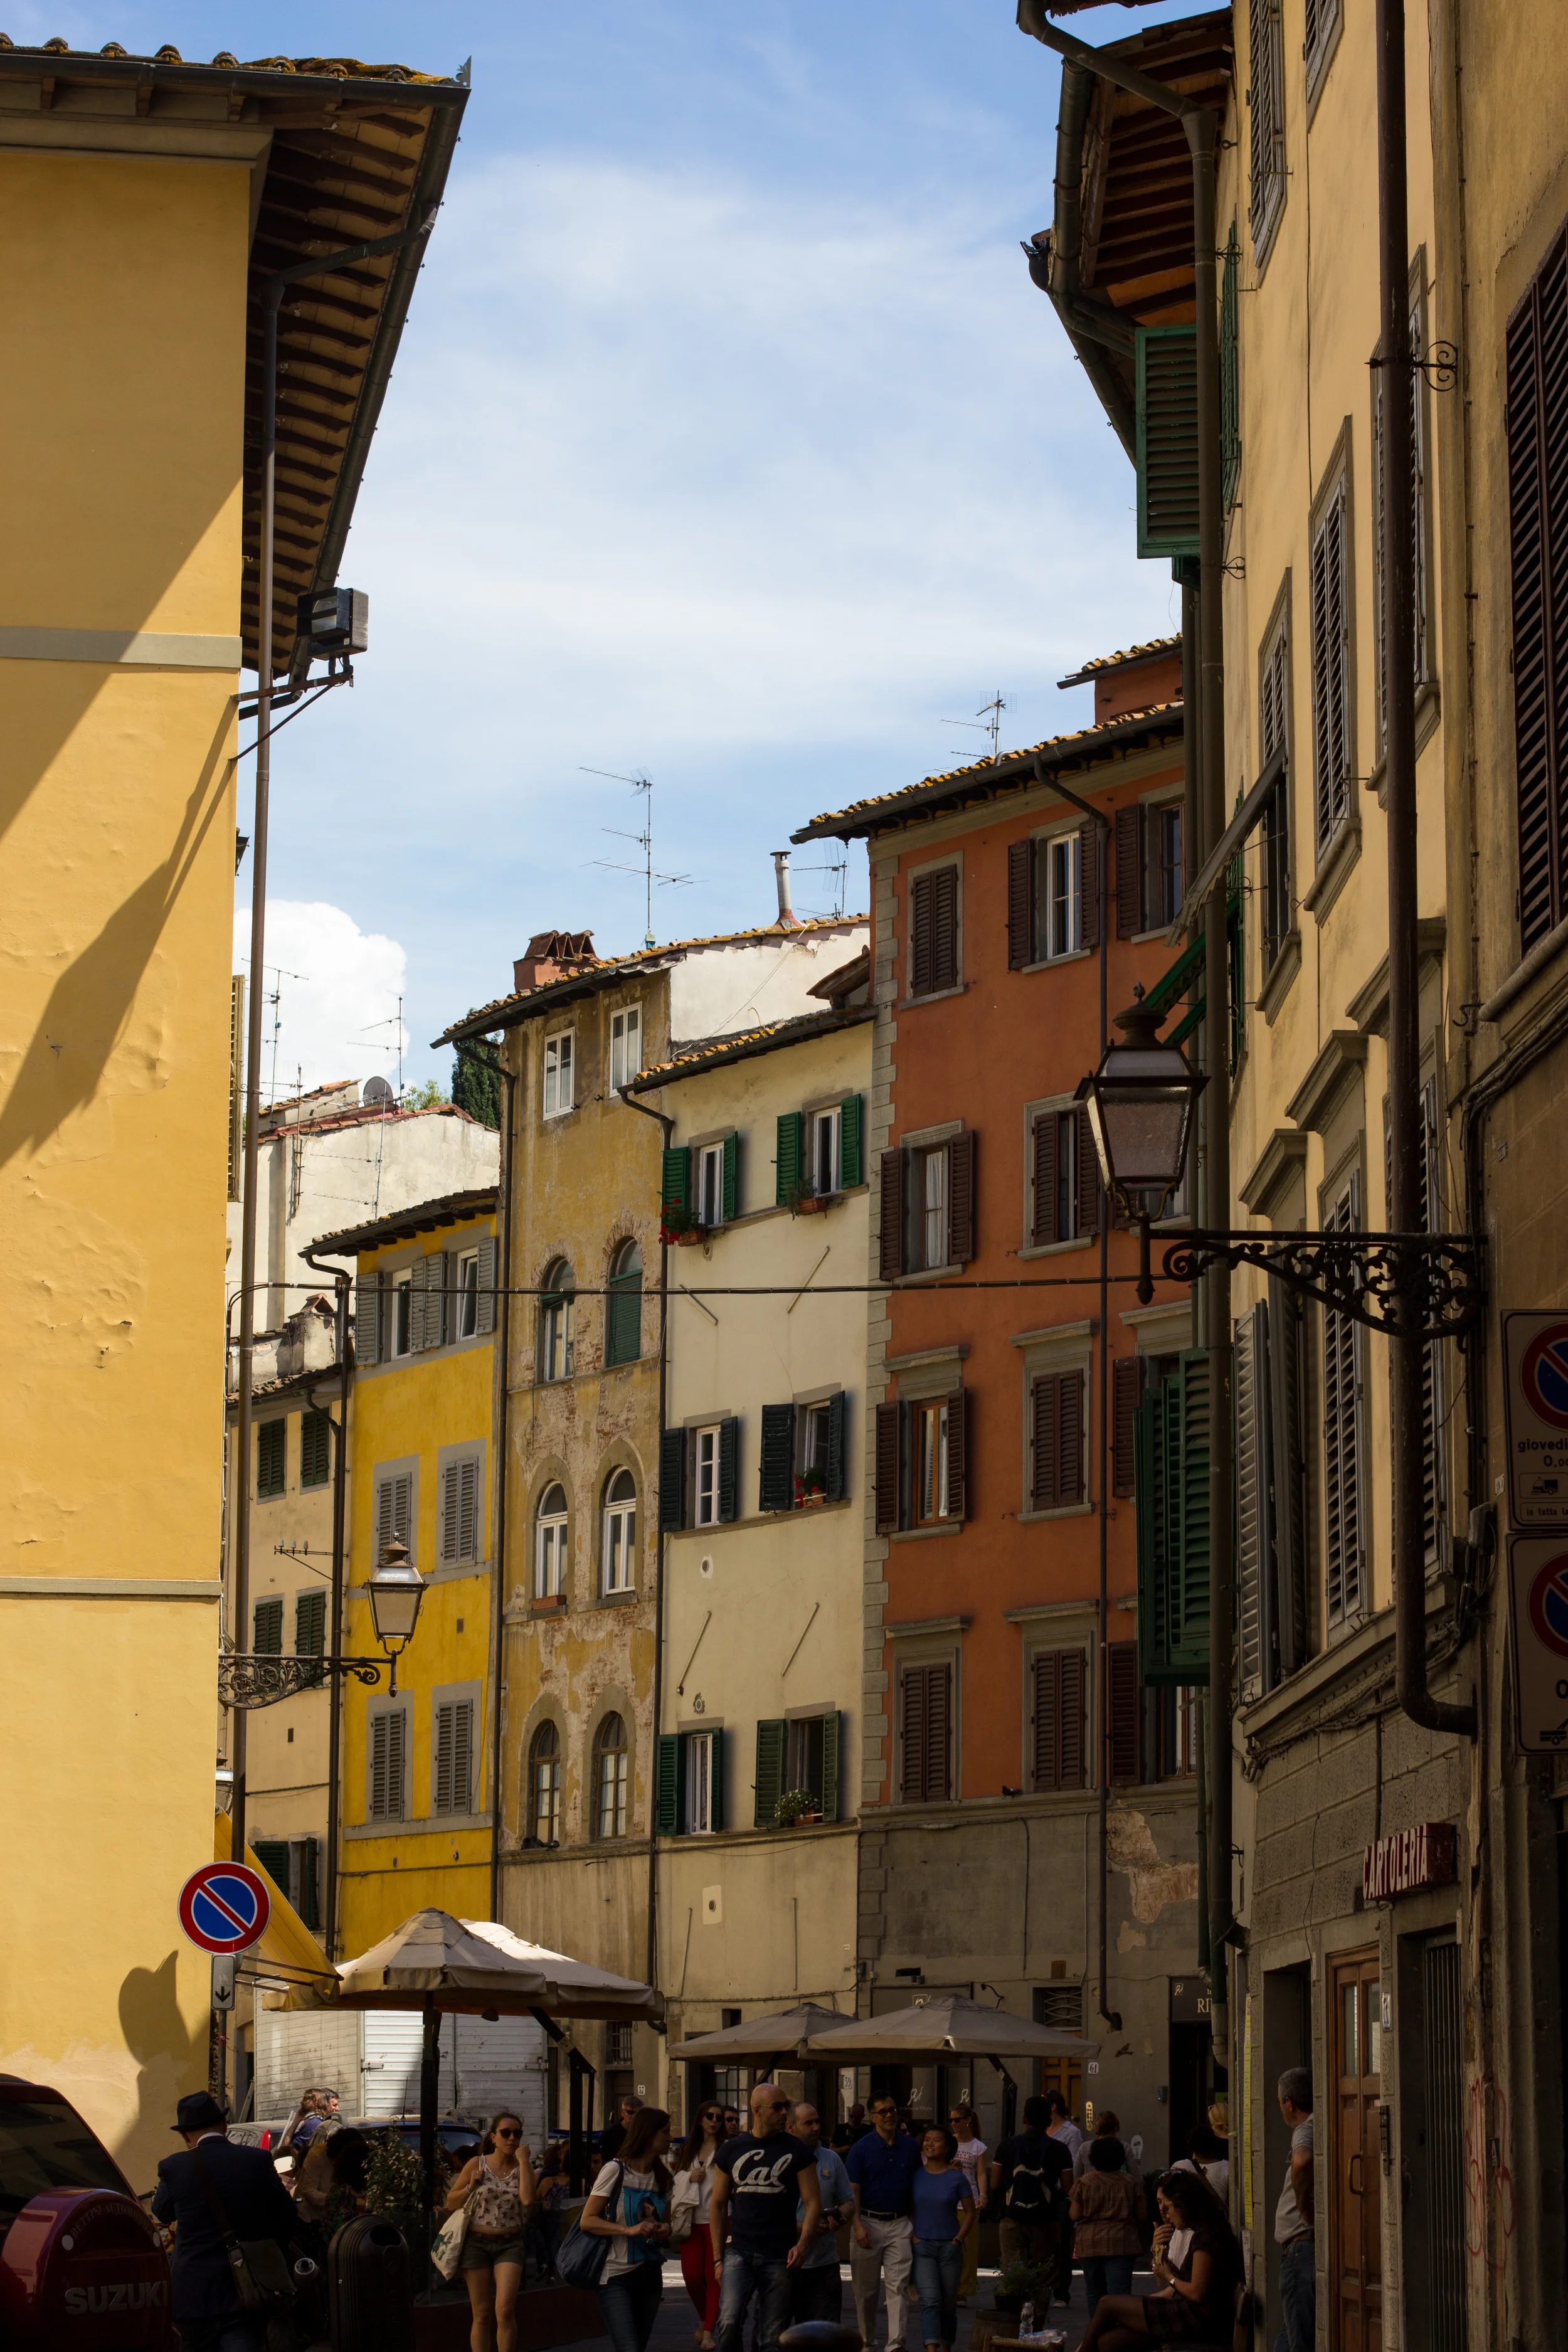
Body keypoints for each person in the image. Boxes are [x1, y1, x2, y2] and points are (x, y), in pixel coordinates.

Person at [151, 2090, 300, 2352]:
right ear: (224, 2126)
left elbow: (162, 2212)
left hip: (193, 2292)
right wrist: (269, 2250)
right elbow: (287, 2214)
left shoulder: (174, 2167)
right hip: (246, 2288)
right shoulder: (256, 2160)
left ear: (185, 2136)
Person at [709, 2082, 821, 2352]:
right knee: (727, 2322)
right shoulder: (732, 2149)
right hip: (740, 2250)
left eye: (787, 2106)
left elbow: (813, 2202)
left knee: (772, 2336)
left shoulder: (798, 2150)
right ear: (757, 2110)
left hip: (779, 2253)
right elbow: (718, 2204)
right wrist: (717, 2259)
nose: (784, 2113)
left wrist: (803, 2244)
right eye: (778, 2107)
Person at [1078, 2169, 1242, 2349]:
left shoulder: (1206, 2238)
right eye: (1159, 2204)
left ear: (1183, 2205)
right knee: (1109, 2341)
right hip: (1187, 2310)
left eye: (1168, 2206)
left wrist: (1168, 2275)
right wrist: (1160, 2260)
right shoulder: (1200, 2233)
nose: (1165, 2213)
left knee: (1107, 2304)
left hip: (1196, 2318)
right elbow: (1173, 2286)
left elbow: (1196, 2292)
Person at [583, 2104, 674, 2352]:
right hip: (615, 2276)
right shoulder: (615, 2171)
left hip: (650, 2274)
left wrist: (664, 2229)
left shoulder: (663, 2178)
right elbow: (587, 2220)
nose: (671, 2138)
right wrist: (628, 2230)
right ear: (649, 2134)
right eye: (666, 2132)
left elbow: (667, 2225)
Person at [445, 2111, 538, 2352]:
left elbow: (528, 2200)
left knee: (505, 2310)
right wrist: (470, 2186)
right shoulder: (477, 2164)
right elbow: (451, 2202)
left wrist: (524, 2162)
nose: (512, 2138)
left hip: (510, 2243)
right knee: (482, 2313)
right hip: (476, 2243)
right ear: (494, 2137)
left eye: (517, 2134)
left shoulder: (523, 2167)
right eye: (506, 2133)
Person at [845, 2090, 921, 2349]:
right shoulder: (861, 2149)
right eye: (883, 2112)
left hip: (899, 2223)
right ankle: (867, 2343)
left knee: (898, 2287)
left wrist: (914, 2223)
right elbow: (852, 2192)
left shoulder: (910, 2147)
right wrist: (858, 2227)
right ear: (872, 2117)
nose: (889, 2115)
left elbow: (918, 2183)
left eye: (892, 2110)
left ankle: (895, 2345)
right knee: (865, 2292)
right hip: (868, 2221)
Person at [988, 2094, 1073, 2302]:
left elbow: (995, 2183)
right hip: (1046, 2220)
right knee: (1043, 2276)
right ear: (1049, 2121)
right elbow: (1068, 2187)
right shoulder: (1060, 2149)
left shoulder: (1006, 2146)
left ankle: (1016, 2317)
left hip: (1012, 2219)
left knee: (1014, 2273)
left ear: (1024, 2118)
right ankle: (1037, 2317)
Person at [910, 2126, 975, 2352]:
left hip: (950, 2247)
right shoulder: (916, 2175)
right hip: (923, 2247)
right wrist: (914, 2236)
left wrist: (959, 2239)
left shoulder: (957, 2178)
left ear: (947, 2148)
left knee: (948, 2304)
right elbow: (908, 2208)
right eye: (927, 2140)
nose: (930, 2144)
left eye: (936, 2141)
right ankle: (931, 2349)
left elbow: (970, 2212)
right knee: (930, 2301)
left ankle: (946, 2347)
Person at [790, 2102, 854, 2323]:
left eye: (817, 2122)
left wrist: (839, 2216)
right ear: (791, 2128)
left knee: (824, 2334)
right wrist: (802, 2228)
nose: (816, 2128)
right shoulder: (779, 2160)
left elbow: (849, 2202)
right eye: (808, 2123)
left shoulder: (831, 2159)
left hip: (823, 2265)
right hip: (784, 2264)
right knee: (778, 2334)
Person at [1070, 2138, 1147, 2319]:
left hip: (1090, 2243)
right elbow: (1142, 2215)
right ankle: (1119, 2331)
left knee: (1094, 2294)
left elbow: (1074, 2215)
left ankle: (1097, 2330)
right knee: (1120, 2294)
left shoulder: (1084, 2183)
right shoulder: (1131, 2183)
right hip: (1122, 2243)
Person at [673, 2099, 727, 2349]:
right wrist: (689, 2176)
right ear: (700, 2119)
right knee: (692, 2276)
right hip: (691, 2219)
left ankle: (708, 2332)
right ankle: (705, 2318)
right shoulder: (689, 2149)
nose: (714, 2121)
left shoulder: (726, 2148)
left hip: (719, 2219)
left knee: (713, 2276)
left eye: (719, 2118)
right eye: (710, 2116)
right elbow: (674, 2181)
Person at [1273, 2069, 1315, 2352]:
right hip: (1299, 2251)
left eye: (1279, 2101)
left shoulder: (1306, 2128)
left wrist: (1303, 2206)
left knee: (1298, 2341)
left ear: (1289, 2103)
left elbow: (1302, 2160)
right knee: (1286, 2340)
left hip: (1300, 2250)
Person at [947, 2103, 988, 2302]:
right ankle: (949, 2286)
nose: (953, 2123)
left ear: (968, 2121)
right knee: (948, 2246)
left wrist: (983, 2195)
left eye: (957, 2120)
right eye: (951, 2120)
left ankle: (963, 2289)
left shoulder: (978, 2146)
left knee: (969, 2248)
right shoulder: (949, 2142)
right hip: (948, 2200)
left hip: (969, 2201)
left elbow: (981, 2173)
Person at [1073, 2114, 1142, 2185]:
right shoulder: (1124, 2147)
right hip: (1120, 2190)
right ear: (1116, 2128)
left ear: (1097, 2128)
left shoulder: (1084, 2148)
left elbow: (1076, 2178)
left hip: (1091, 2190)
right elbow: (1137, 2178)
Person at [1170, 2124, 1229, 2208]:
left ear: (1191, 2146)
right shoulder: (1227, 2167)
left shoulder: (1179, 2166)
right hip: (1215, 2216)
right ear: (1214, 2144)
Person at [601, 2095, 645, 2164]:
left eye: (638, 2114)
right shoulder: (610, 2135)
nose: (634, 2117)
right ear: (622, 2112)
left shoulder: (643, 2133)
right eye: (631, 2113)